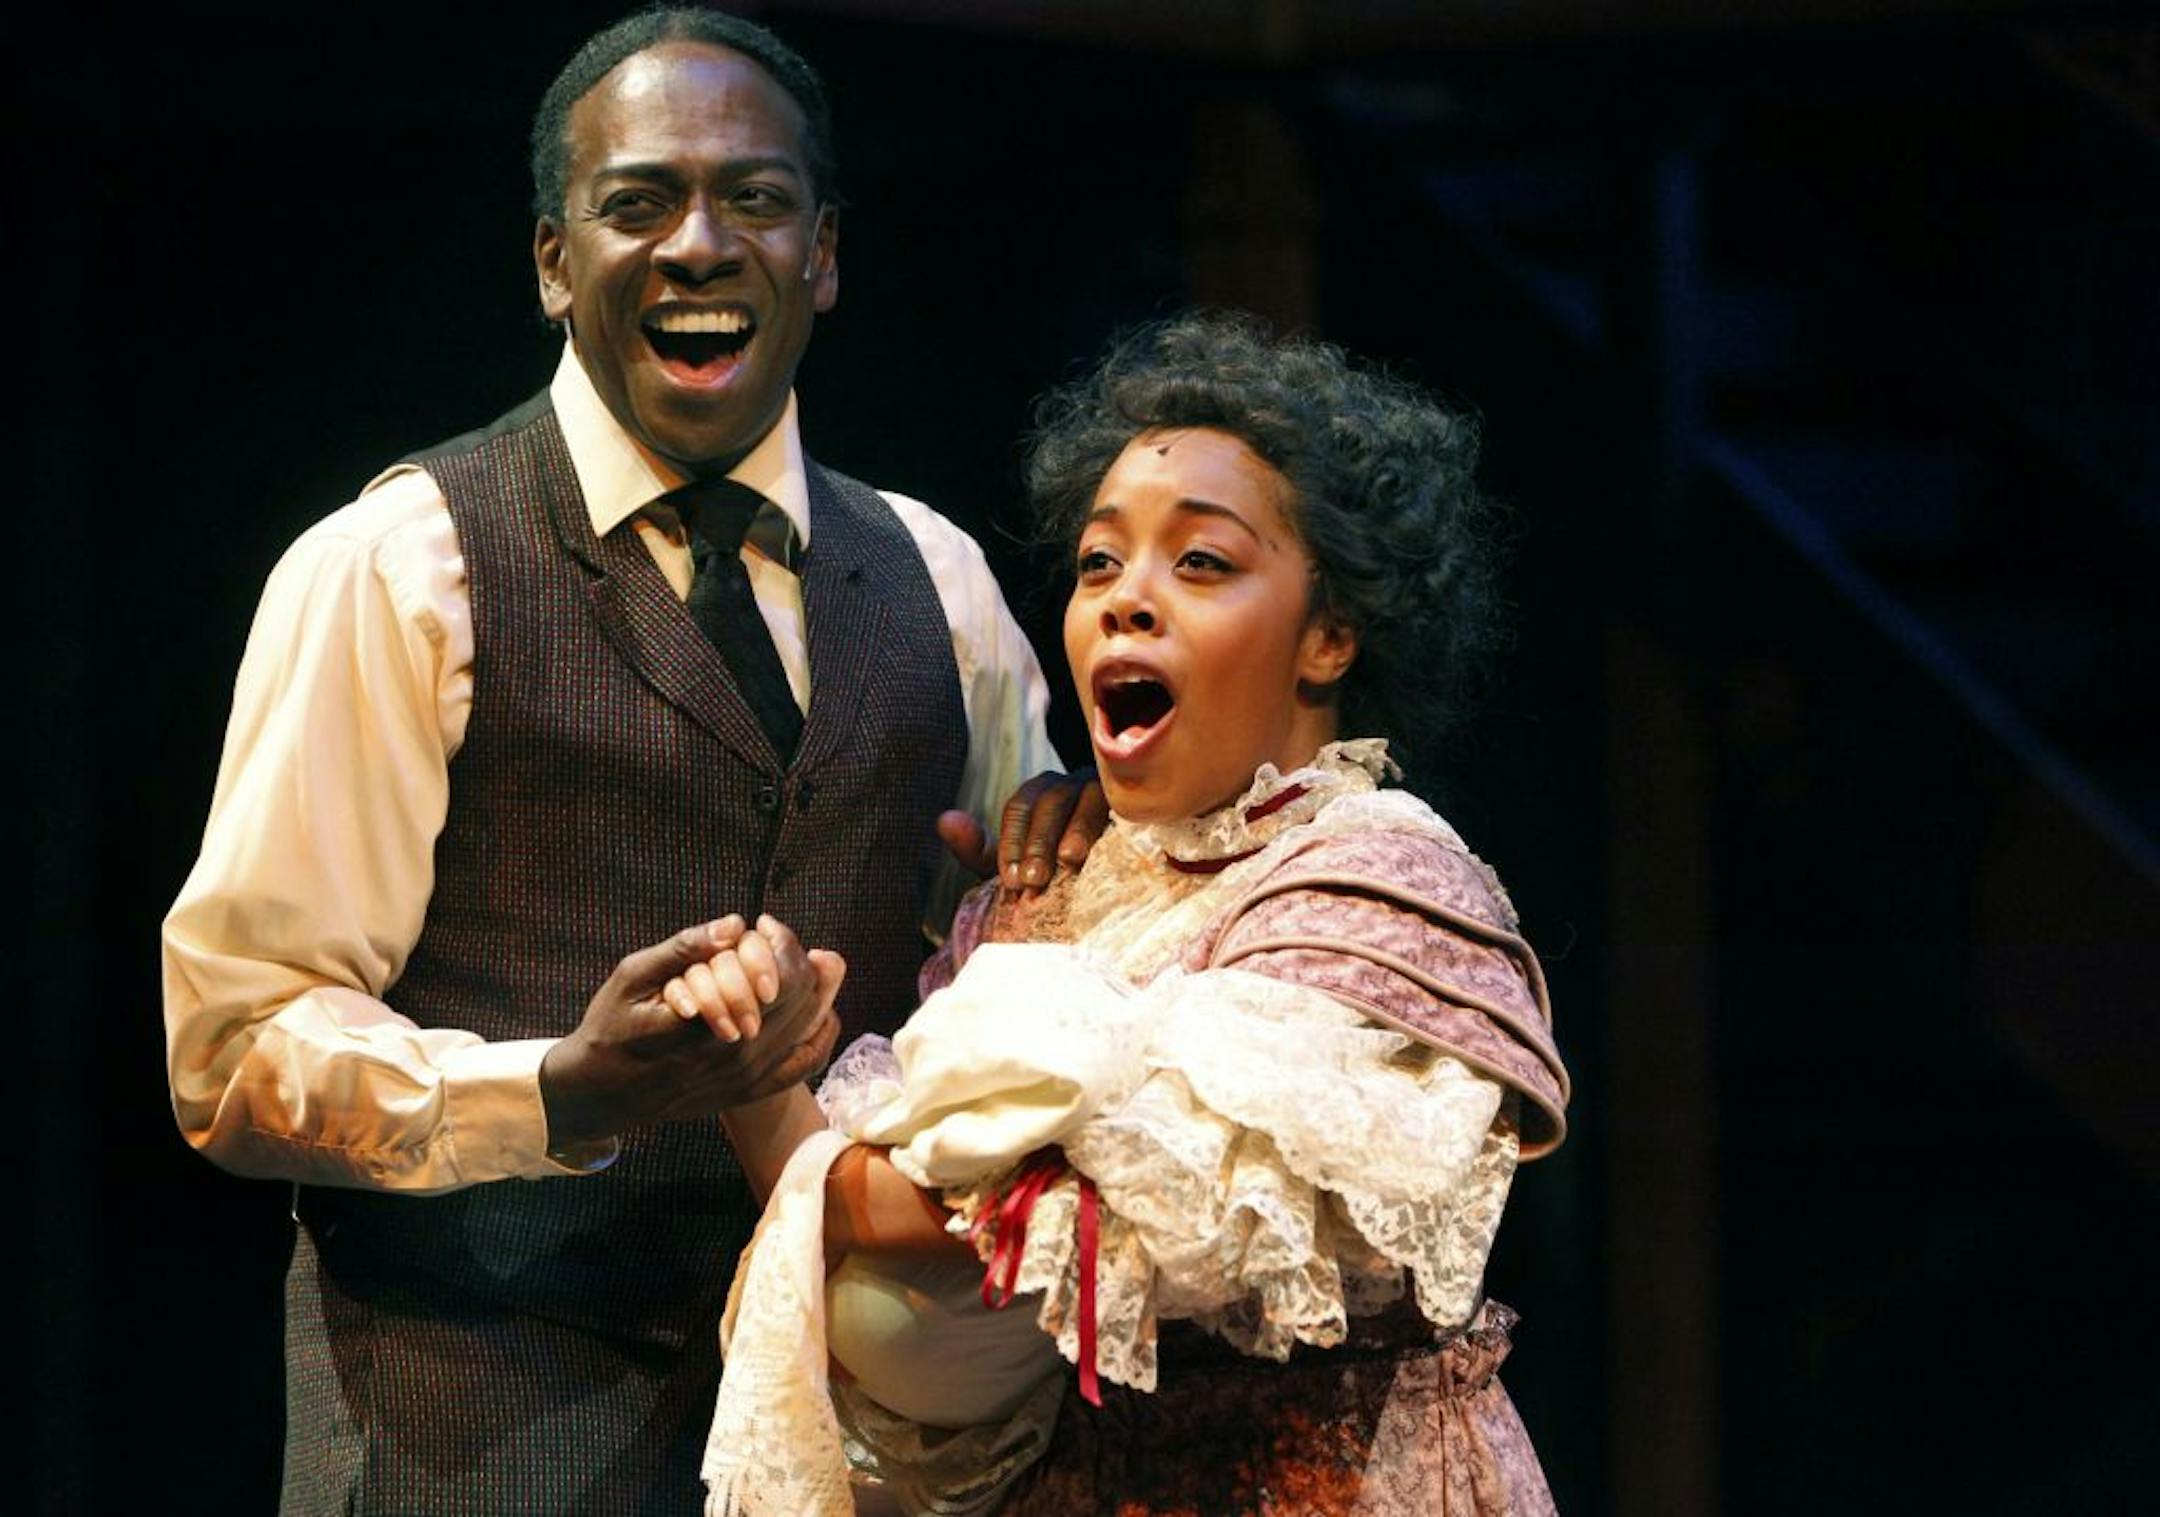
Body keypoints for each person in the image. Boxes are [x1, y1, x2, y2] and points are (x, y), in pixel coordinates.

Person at [159, 10, 1092, 1513]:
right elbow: (231, 1045)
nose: (700, 245)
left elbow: (1028, 984)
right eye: (640, 202)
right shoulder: (398, 568)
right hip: (481, 1436)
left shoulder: (942, 582)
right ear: (552, 261)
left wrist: (1031, 903)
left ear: (826, 253)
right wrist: (564, 1092)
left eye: (757, 200)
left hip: (866, 1450)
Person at [684, 312, 1573, 1515]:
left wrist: (842, 1180)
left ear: (1329, 634)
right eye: (1101, 562)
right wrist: (753, 1060)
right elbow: (911, 1292)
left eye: (1200, 563)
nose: (1126, 600)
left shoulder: (1381, 884)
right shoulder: (1051, 892)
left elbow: (1002, 1221)